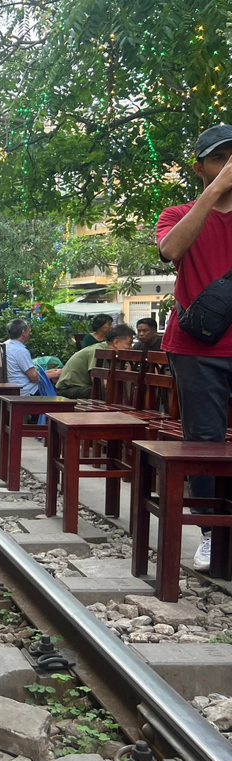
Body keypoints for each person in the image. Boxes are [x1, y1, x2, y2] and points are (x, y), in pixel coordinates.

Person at [157, 123, 232, 573]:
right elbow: (170, 250)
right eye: (220, 158)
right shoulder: (178, 212)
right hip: (196, 346)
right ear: (200, 167)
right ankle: (208, 533)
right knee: (203, 441)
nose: (229, 166)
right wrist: (217, 191)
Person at [56, 324, 135, 399]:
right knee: (103, 392)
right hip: (68, 389)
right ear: (116, 342)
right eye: (129, 344)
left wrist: (130, 365)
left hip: (84, 388)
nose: (131, 347)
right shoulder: (98, 351)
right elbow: (99, 383)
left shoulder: (112, 353)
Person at [5, 318, 62, 395]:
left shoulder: (6, 345)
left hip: (15, 385)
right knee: (58, 389)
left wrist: (52, 372)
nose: (30, 333)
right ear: (23, 332)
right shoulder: (20, 350)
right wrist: (56, 374)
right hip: (26, 390)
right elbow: (34, 377)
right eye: (29, 330)